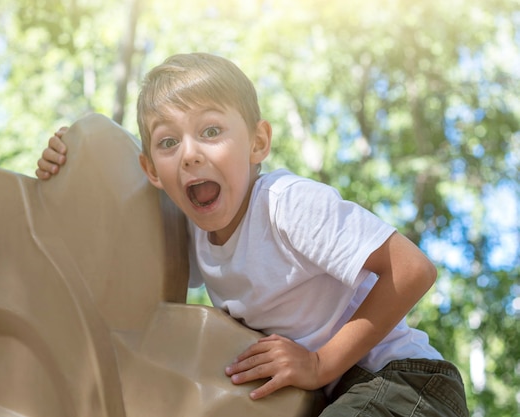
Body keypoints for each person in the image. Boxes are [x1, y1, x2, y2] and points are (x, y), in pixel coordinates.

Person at [36, 52, 469, 416]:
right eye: (168, 142)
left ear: (257, 143)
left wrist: (319, 364)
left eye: (210, 131)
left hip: (405, 381)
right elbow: (117, 222)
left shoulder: (285, 204)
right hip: (336, 395)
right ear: (151, 169)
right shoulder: (192, 231)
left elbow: (412, 269)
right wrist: (69, 156)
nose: (189, 154)